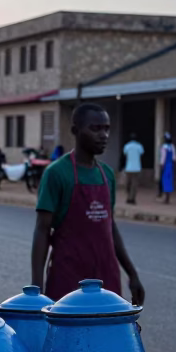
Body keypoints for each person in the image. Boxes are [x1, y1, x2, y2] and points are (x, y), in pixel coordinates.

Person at [32, 103, 144, 304]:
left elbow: (110, 226)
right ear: (75, 131)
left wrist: (132, 274)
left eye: (106, 129)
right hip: (68, 277)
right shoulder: (57, 173)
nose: (103, 135)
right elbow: (42, 230)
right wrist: (36, 290)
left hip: (106, 278)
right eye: (95, 129)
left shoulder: (107, 175)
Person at [122, 132, 145, 205]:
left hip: (129, 167)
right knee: (134, 185)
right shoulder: (139, 146)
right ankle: (131, 198)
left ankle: (130, 197)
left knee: (128, 184)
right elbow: (142, 154)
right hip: (137, 168)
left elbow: (125, 154)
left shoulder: (127, 146)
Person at [158, 131, 176, 204]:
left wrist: (162, 165)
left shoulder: (164, 147)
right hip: (170, 165)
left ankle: (166, 198)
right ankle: (168, 197)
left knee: (165, 181)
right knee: (169, 181)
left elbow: (163, 157)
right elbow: (174, 158)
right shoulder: (172, 146)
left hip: (165, 165)